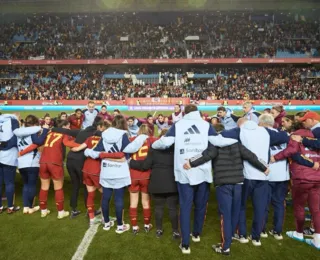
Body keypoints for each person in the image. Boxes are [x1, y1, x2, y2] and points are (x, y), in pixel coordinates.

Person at [152, 104, 237, 254]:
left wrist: (154, 143)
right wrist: (237, 139)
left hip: (184, 171)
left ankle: (185, 244)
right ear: (198, 112)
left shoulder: (178, 125)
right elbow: (219, 142)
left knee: (185, 207)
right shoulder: (206, 125)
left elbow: (165, 143)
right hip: (202, 171)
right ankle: (196, 234)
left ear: (184, 113)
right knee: (200, 206)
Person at [184, 123, 269, 256]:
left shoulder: (214, 144)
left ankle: (225, 246)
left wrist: (190, 162)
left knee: (225, 215)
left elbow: (205, 155)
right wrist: (264, 167)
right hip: (238, 183)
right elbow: (252, 156)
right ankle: (228, 241)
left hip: (223, 183)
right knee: (234, 213)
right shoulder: (236, 144)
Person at [220, 117, 289, 246]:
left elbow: (222, 135)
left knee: (241, 206)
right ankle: (256, 237)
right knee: (260, 207)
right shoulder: (265, 131)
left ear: (240, 125)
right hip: (263, 175)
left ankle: (242, 235)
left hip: (246, 175)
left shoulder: (239, 132)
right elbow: (284, 137)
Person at [272, 122, 320, 250]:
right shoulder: (314, 137)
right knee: (316, 209)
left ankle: (299, 233)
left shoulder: (295, 136)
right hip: (317, 177)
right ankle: (318, 239)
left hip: (302, 177)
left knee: (299, 206)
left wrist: (274, 158)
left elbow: (291, 151)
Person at [70, 121, 124, 226]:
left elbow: (77, 148)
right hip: (96, 170)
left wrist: (70, 148)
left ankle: (91, 218)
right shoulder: (105, 141)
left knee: (90, 193)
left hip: (86, 169)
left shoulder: (90, 138)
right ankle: (105, 217)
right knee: (105, 194)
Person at [129, 129, 180, 239]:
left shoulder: (154, 149)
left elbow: (145, 166)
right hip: (172, 182)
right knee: (172, 208)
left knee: (158, 208)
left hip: (156, 183)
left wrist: (131, 162)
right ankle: (175, 231)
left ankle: (159, 230)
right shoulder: (176, 149)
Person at [85, 115, 131, 234]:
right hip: (120, 171)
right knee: (119, 198)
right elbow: (127, 154)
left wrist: (87, 151)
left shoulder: (104, 134)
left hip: (106, 170)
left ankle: (106, 223)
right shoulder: (124, 135)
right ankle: (120, 226)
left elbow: (95, 152)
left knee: (105, 197)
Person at [38, 120, 79, 219]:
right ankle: (60, 212)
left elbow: (39, 146)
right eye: (68, 127)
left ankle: (43, 210)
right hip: (55, 162)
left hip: (43, 161)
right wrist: (85, 144)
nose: (69, 129)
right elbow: (68, 143)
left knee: (44, 186)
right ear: (64, 127)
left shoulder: (49, 133)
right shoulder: (64, 134)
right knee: (58, 187)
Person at [258, 114, 290, 240]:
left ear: (261, 123)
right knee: (279, 204)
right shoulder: (284, 135)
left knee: (264, 203)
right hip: (282, 175)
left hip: (267, 174)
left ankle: (262, 230)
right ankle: (277, 232)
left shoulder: (261, 134)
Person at [13, 115, 49, 214]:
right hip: (31, 162)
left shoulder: (20, 131)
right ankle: (30, 207)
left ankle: (25, 207)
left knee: (26, 185)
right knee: (32, 185)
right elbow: (38, 141)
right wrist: (45, 131)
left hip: (21, 162)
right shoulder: (32, 130)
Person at [127, 124, 157, 235]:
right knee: (145, 202)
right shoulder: (152, 140)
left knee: (133, 202)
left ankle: (134, 226)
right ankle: (146, 225)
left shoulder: (132, 139)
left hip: (133, 174)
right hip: (146, 174)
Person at [0, 114, 20, 213]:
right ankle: (10, 207)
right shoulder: (13, 121)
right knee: (9, 182)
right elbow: (16, 137)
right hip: (9, 155)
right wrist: (4, 146)